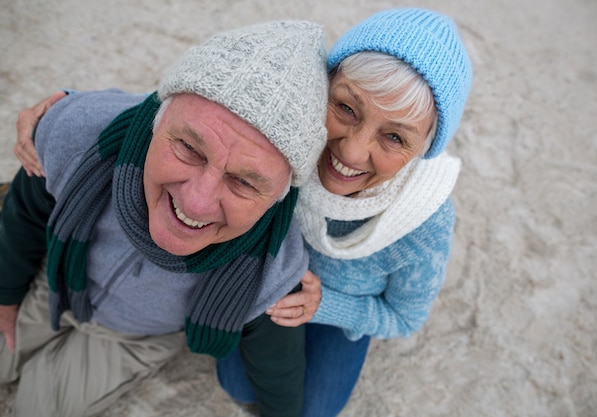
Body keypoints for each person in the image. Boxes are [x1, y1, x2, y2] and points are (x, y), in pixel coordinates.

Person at [12, 8, 473, 417]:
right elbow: (198, 106)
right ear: (320, 91)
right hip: (261, 288)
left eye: (395, 138)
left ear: (426, 148)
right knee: (237, 377)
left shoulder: (422, 224)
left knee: (311, 404)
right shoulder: (283, 138)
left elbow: (405, 318)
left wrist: (324, 306)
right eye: (346, 108)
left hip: (336, 307)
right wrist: (66, 108)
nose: (351, 151)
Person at [0, 20, 328, 417]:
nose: (196, 203)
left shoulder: (272, 271)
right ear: (158, 117)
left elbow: (277, 367)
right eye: (189, 147)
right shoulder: (79, 135)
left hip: (133, 338)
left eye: (244, 181)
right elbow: (24, 217)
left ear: (279, 197)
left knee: (37, 406)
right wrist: (6, 294)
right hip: (52, 282)